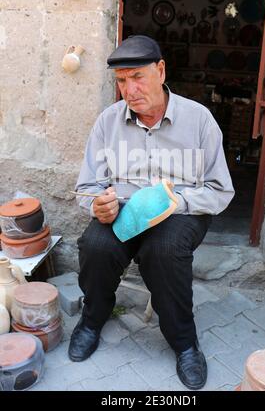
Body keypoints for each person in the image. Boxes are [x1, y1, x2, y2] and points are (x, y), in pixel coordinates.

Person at [68, 35, 235, 390]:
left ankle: (184, 342)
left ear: (160, 70)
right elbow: (87, 187)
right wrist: (98, 204)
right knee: (95, 246)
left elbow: (221, 191)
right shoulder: (108, 122)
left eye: (138, 77)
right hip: (123, 210)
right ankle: (91, 320)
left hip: (181, 212)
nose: (129, 90)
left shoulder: (199, 120)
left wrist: (175, 203)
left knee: (163, 250)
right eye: (121, 81)